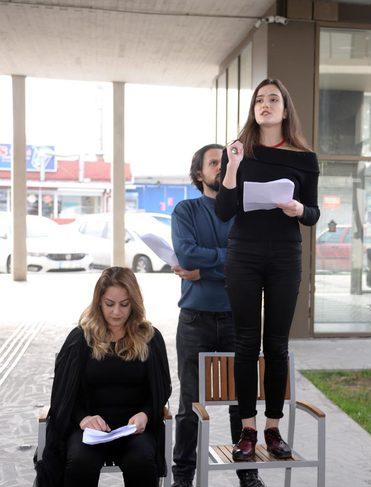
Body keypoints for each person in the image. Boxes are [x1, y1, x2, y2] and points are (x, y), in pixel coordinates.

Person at [215, 79, 320, 461]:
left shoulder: (305, 158)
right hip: (243, 253)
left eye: (273, 99)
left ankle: (273, 430)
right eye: (259, 99)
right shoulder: (240, 151)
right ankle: (247, 429)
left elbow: (313, 213)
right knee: (246, 344)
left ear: (285, 109)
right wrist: (233, 167)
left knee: (276, 345)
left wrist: (297, 210)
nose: (265, 105)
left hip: (284, 255)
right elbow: (224, 210)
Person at [171, 144, 263, 487]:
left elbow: (249, 260)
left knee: (243, 404)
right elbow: (185, 252)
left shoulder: (244, 212)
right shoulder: (186, 210)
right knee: (190, 405)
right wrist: (228, 263)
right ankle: (183, 477)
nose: (222, 167)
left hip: (239, 318)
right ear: (200, 174)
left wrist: (203, 271)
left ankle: (248, 474)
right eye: (214, 163)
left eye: (226, 163)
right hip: (196, 319)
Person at [34, 267, 171, 487]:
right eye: (110, 304)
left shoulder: (149, 338)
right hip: (90, 431)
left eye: (124, 304)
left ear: (134, 303)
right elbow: (64, 394)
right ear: (99, 302)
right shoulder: (81, 338)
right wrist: (83, 419)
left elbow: (162, 387)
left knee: (142, 460)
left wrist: (145, 414)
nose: (117, 312)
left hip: (134, 430)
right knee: (80, 461)